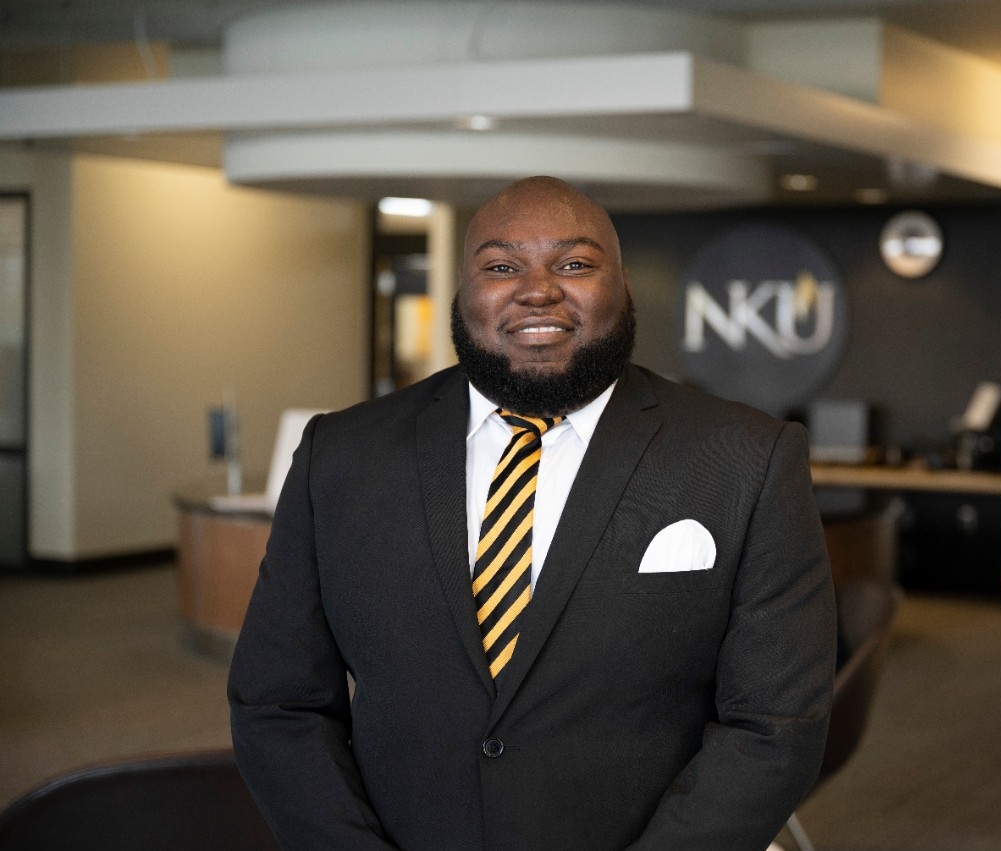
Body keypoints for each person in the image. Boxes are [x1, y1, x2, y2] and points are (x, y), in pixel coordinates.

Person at [228, 176, 836, 851]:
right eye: (500, 266)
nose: (538, 288)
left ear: (625, 287)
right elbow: (278, 702)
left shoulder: (747, 458)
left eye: (575, 264)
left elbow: (774, 724)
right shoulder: (339, 456)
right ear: (463, 293)